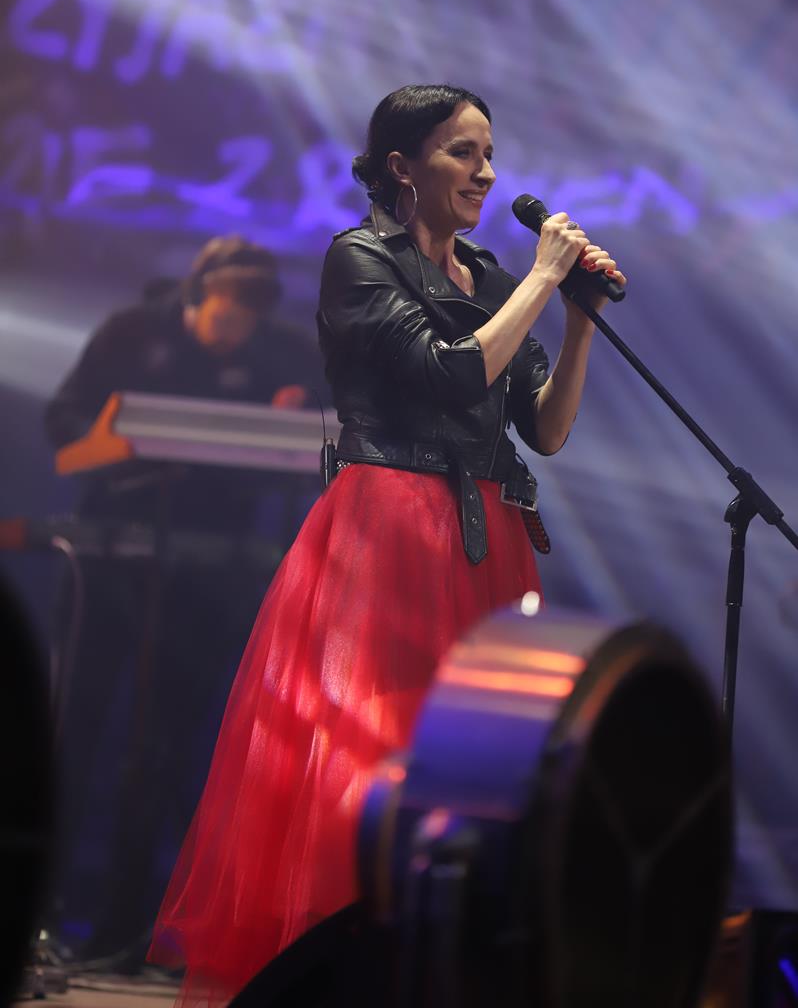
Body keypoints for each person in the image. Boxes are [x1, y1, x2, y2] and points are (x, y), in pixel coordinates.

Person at [149, 85, 626, 1005]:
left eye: (489, 153)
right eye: (462, 152)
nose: (485, 173)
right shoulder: (361, 258)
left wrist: (577, 320)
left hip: (486, 535)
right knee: (368, 752)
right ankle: (340, 971)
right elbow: (449, 377)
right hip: (389, 529)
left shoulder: (490, 276)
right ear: (402, 166)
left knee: (469, 766)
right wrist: (541, 280)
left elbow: (545, 427)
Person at [44, 236, 323, 964]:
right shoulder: (132, 332)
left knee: (165, 749)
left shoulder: (286, 353)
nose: (234, 326)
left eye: (249, 314)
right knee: (73, 732)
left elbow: (325, 438)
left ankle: (123, 932)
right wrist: (121, 442)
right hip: (111, 560)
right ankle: (36, 911)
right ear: (196, 296)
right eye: (224, 309)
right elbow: (63, 424)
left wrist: (286, 427)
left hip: (209, 576)